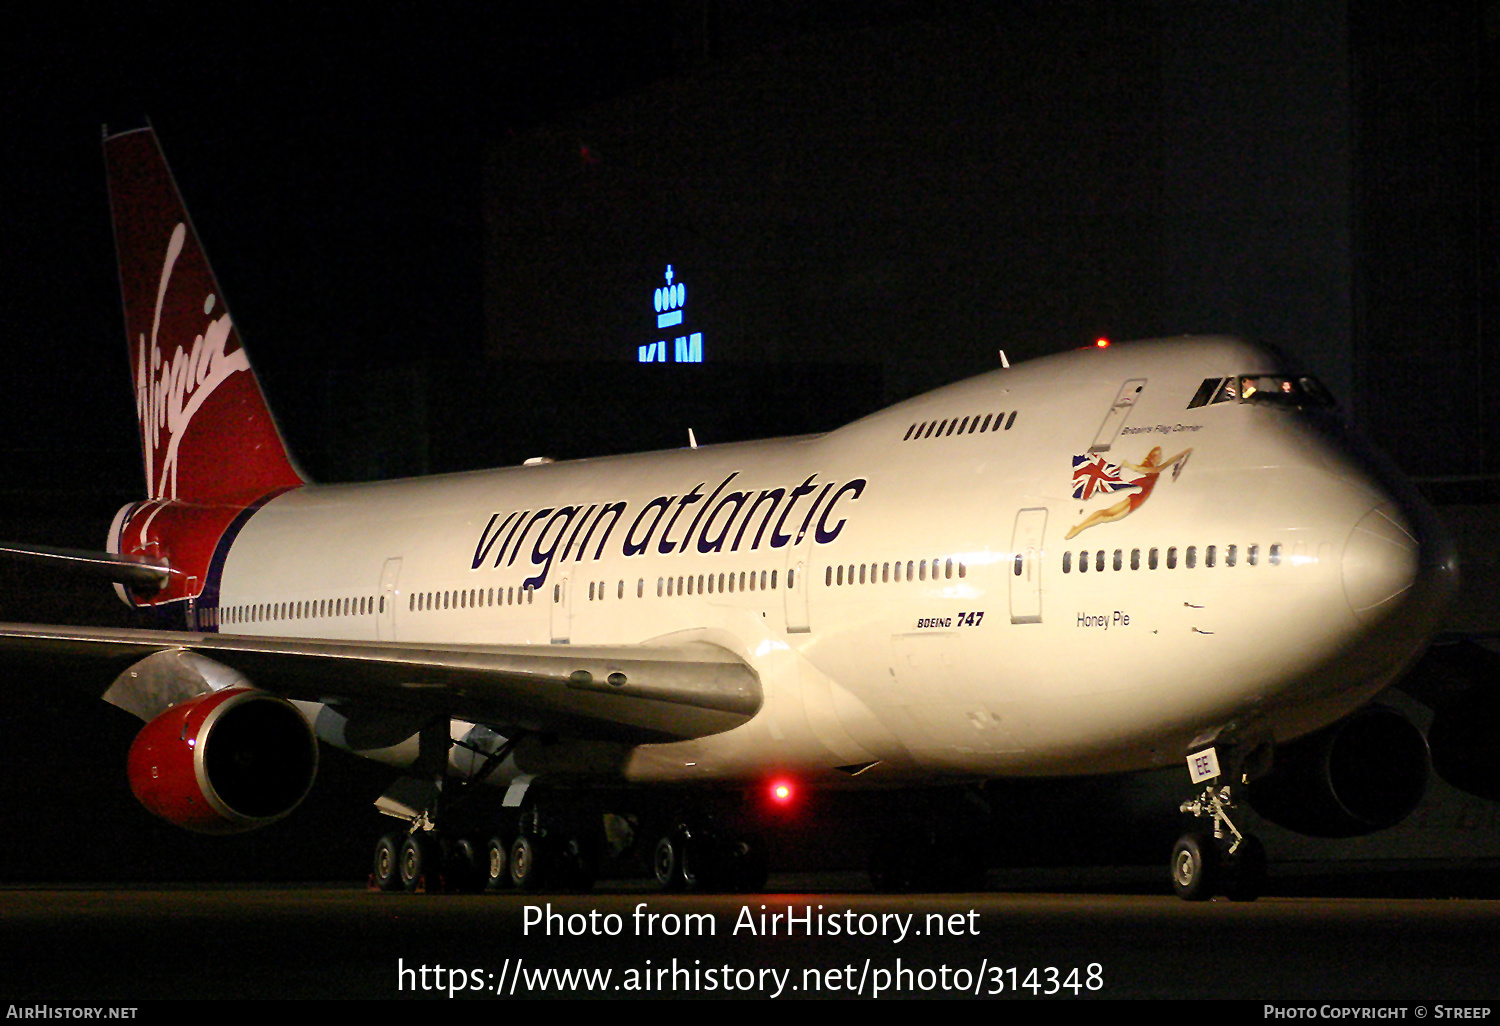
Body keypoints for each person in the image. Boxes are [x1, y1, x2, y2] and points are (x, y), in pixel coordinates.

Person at [1064, 446, 1191, 540]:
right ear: (1152, 456)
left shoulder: (1154, 468)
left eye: (1160, 455)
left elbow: (1167, 463)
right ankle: (1077, 529)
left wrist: (1185, 452)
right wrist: (1128, 464)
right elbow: (1141, 469)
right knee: (1107, 516)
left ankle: (1077, 528)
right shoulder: (1151, 468)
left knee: (1105, 513)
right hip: (1137, 498)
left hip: (1136, 497)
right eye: (1157, 455)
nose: (1159, 457)